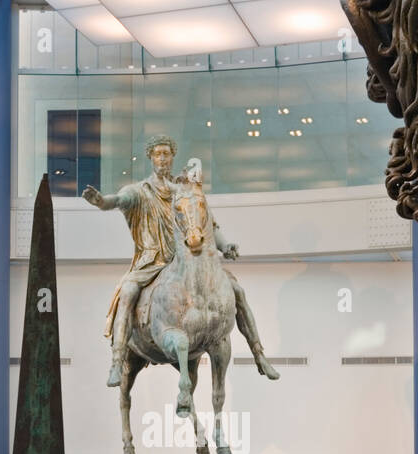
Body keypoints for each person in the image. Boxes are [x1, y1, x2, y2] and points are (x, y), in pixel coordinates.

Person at [83, 135, 280, 386]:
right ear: (150, 157)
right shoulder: (141, 191)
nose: (162, 159)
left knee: (237, 290)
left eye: (166, 154)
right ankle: (117, 360)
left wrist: (224, 246)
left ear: (172, 156)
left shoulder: (188, 192)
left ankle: (259, 354)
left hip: (189, 262)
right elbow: (118, 200)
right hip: (153, 262)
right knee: (128, 291)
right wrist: (101, 201)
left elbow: (209, 224)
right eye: (157, 154)